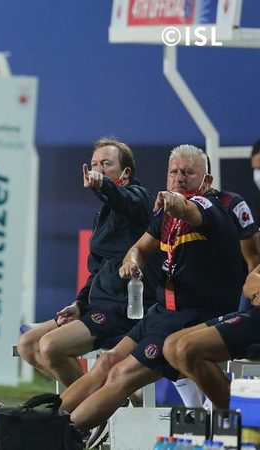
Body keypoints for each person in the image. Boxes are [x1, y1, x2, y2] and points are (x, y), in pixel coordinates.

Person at [59, 145, 243, 447]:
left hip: (194, 318)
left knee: (120, 375)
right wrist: (132, 261)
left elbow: (186, 208)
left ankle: (60, 435)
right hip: (163, 311)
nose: (179, 178)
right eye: (174, 172)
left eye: (188, 172)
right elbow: (140, 248)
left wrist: (174, 201)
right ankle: (48, 420)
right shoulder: (164, 216)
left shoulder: (207, 207)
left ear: (207, 180)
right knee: (107, 362)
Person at [16, 138, 156, 389]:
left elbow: (125, 200)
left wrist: (103, 185)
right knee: (27, 344)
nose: (98, 169)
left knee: (50, 346)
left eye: (106, 164)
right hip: (96, 305)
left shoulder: (141, 199)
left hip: (123, 310)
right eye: (94, 164)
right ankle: (102, 402)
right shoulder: (103, 214)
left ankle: (96, 405)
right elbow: (97, 271)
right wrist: (79, 304)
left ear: (126, 173)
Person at [163, 263, 260, 411]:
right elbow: (249, 282)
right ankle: (234, 412)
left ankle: (235, 415)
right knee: (171, 345)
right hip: (252, 315)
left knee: (187, 349)